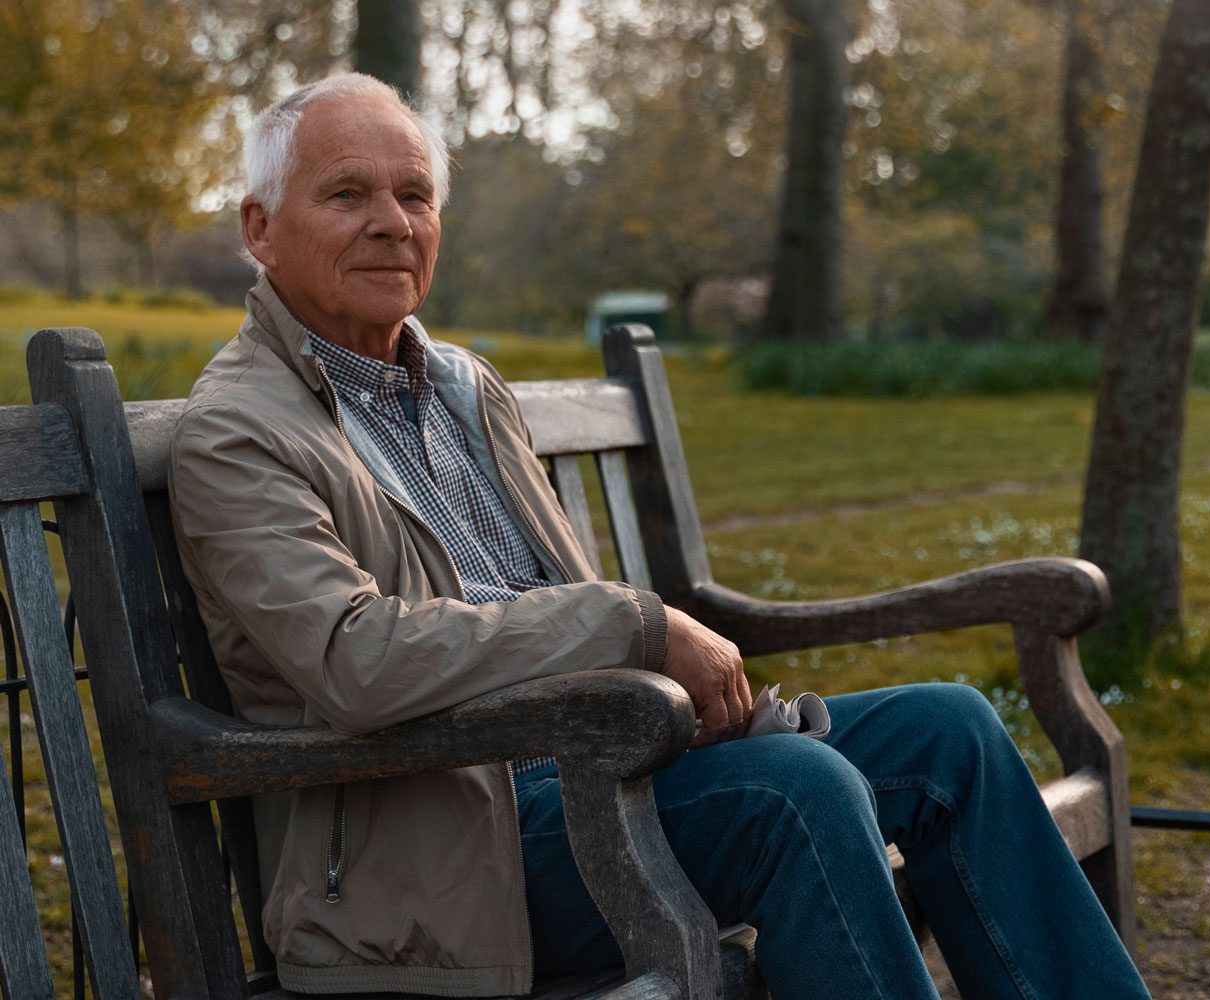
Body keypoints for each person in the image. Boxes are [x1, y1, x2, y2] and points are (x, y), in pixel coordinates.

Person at [168, 72, 1150, 1000]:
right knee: (790, 792)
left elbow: (555, 612)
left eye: (415, 196)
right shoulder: (240, 430)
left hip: (597, 765)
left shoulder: (463, 388)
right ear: (259, 227)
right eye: (347, 194)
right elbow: (354, 662)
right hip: (439, 858)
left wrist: (662, 688)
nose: (392, 222)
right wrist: (632, 629)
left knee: (952, 733)